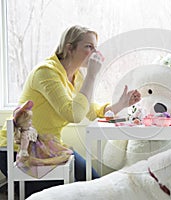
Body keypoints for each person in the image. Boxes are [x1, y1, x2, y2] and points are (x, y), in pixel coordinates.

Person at [0, 25, 141, 197]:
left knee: (93, 182)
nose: (95, 52)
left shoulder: (76, 76)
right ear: (69, 48)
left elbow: (88, 111)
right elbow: (73, 114)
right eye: (89, 47)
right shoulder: (46, 72)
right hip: (19, 150)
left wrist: (120, 104)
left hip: (50, 148)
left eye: (95, 47)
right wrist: (92, 76)